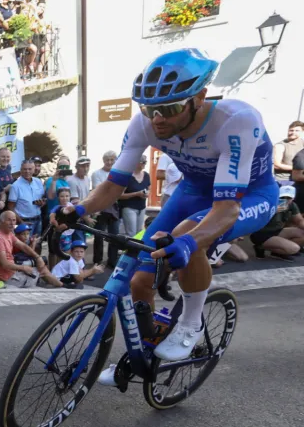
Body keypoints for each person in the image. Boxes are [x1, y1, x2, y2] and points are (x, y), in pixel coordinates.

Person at [55, 49, 279, 376]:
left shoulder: (236, 121)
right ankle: (146, 351)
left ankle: (191, 324)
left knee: (190, 237)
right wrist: (77, 208)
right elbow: (114, 185)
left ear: (200, 97)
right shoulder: (145, 124)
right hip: (192, 191)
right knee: (140, 279)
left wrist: (189, 243)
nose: (157, 118)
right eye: (150, 109)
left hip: (248, 196)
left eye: (170, 108)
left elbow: (226, 208)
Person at [0, 210, 61, 288]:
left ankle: (58, 284)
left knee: (40, 265)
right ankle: (62, 285)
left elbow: (23, 246)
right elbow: (4, 264)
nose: (12, 223)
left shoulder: (8, 233)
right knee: (41, 270)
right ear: (1, 221)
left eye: (14, 220)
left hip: (12, 272)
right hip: (7, 278)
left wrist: (38, 257)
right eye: (9, 220)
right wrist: (23, 268)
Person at [249, 185, 304, 258]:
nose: (285, 200)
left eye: (288, 198)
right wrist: (271, 211)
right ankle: (260, 247)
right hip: (261, 233)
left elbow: (299, 220)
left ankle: (279, 251)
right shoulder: (268, 203)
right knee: (294, 248)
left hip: (277, 231)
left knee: (301, 234)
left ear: (293, 198)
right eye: (282, 197)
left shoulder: (292, 205)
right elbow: (253, 219)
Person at [90, 150, 120, 266]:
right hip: (100, 206)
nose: (109, 162)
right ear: (103, 161)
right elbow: (99, 190)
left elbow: (120, 189)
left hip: (114, 206)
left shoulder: (118, 173)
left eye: (112, 160)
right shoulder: (96, 174)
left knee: (114, 235)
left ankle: (112, 261)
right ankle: (97, 261)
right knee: (99, 235)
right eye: (107, 160)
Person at [7, 158, 44, 237]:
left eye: (30, 169)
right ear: (20, 170)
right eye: (24, 169)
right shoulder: (15, 186)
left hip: (38, 219)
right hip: (24, 221)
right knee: (25, 246)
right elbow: (10, 207)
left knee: (37, 244)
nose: (27, 171)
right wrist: (21, 222)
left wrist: (42, 203)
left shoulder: (38, 182)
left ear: (34, 169)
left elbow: (42, 199)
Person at [119, 155, 150, 237]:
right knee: (131, 233)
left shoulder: (146, 175)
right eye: (143, 162)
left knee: (139, 232)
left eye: (145, 162)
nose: (145, 164)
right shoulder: (127, 176)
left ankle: (136, 250)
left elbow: (149, 189)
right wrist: (136, 194)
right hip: (129, 207)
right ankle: (130, 250)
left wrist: (146, 194)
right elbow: (119, 195)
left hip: (142, 207)